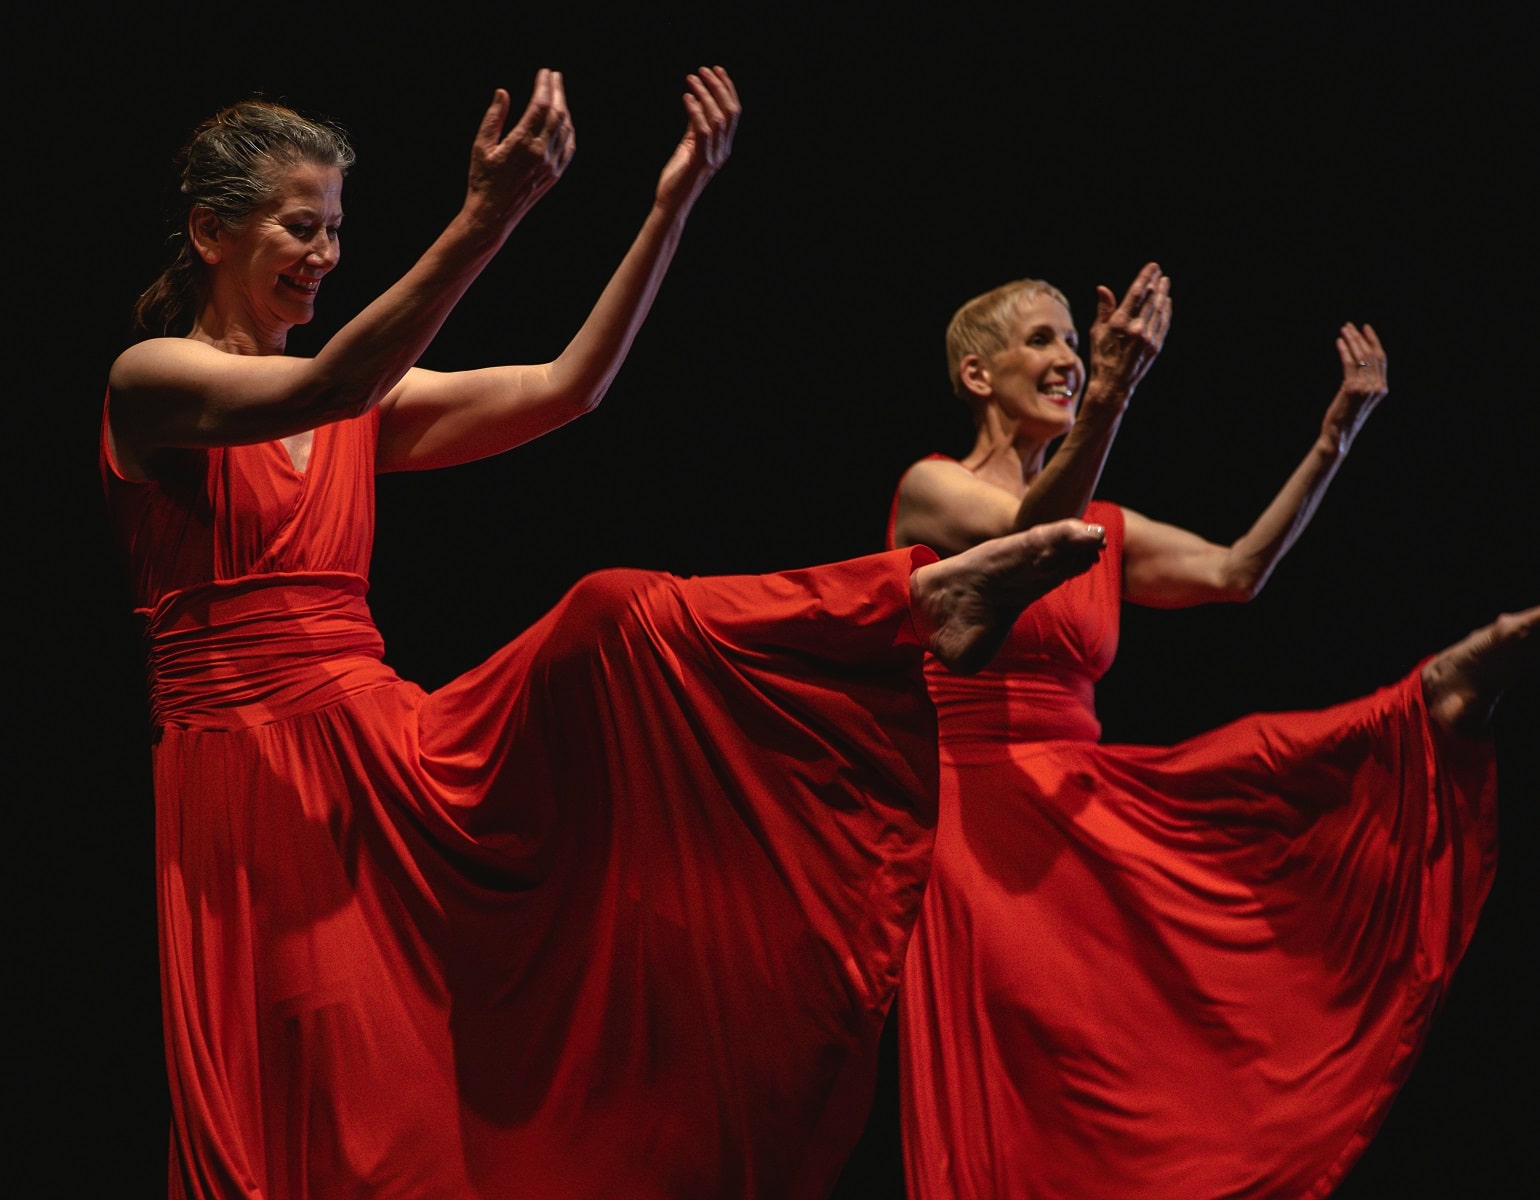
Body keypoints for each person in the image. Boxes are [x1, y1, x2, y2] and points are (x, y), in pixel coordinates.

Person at [100, 69, 1111, 1200]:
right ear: (209, 231)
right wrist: (488, 217)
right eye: (302, 226)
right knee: (318, 1105)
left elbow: (568, 387)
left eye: (337, 229)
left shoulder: (359, 403)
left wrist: (667, 205)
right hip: (249, 777)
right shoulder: (152, 383)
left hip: (379, 749)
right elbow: (330, 386)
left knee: (616, 614)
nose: (326, 254)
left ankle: (912, 603)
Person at [887, 266, 1537, 1199]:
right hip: (980, 827)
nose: (1068, 358)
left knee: (1258, 773)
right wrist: (1113, 397)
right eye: (1043, 340)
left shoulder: (1101, 520)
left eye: (1075, 342)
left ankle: (1427, 705)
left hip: (1082, 802)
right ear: (976, 375)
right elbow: (1032, 535)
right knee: (1029, 1073)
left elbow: (1237, 572)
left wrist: (1331, 440)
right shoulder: (933, 491)